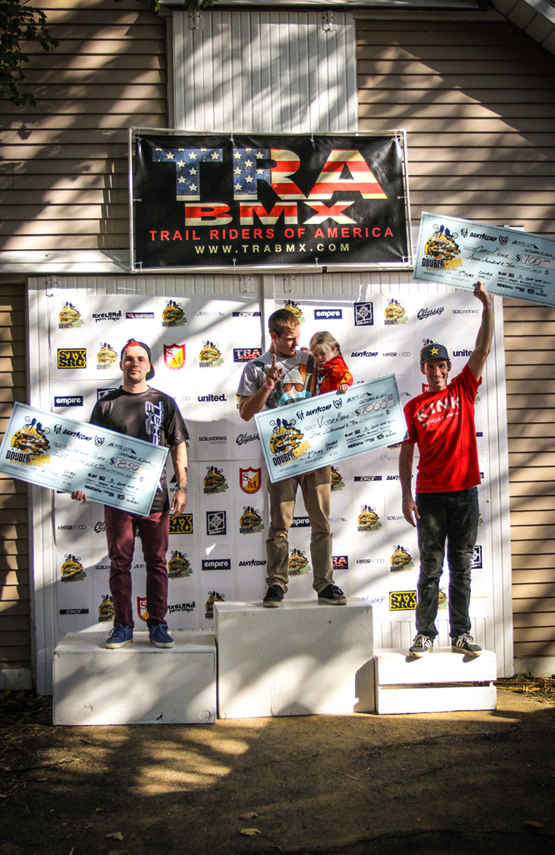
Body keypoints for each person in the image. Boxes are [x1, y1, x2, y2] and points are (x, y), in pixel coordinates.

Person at [72, 339, 189, 650]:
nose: (134, 363)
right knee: (120, 562)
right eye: (128, 359)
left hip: (157, 497)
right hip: (117, 498)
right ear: (121, 364)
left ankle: (158, 625)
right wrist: (84, 481)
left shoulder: (164, 402)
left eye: (140, 359)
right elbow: (92, 449)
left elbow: (179, 445)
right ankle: (123, 625)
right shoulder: (106, 404)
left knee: (157, 562)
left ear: (149, 365)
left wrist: (183, 486)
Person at [399, 282, 494, 658]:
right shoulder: (414, 407)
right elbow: (406, 456)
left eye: (441, 365)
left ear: (448, 368)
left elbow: (483, 348)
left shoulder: (463, 389)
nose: (437, 371)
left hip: (465, 493)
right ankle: (425, 633)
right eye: (430, 366)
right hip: (430, 496)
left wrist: (486, 307)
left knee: (462, 568)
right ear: (422, 370)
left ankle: (461, 634)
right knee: (430, 569)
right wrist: (406, 495)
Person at [237, 308, 347, 608]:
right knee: (278, 525)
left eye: (298, 337)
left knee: (321, 522)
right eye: (289, 339)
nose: (296, 344)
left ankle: (325, 584)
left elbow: (338, 369)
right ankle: (276, 584)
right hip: (281, 456)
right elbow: (246, 413)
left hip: (316, 454)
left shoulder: (309, 359)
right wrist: (268, 386)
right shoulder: (255, 368)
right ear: (272, 336)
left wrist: (344, 383)